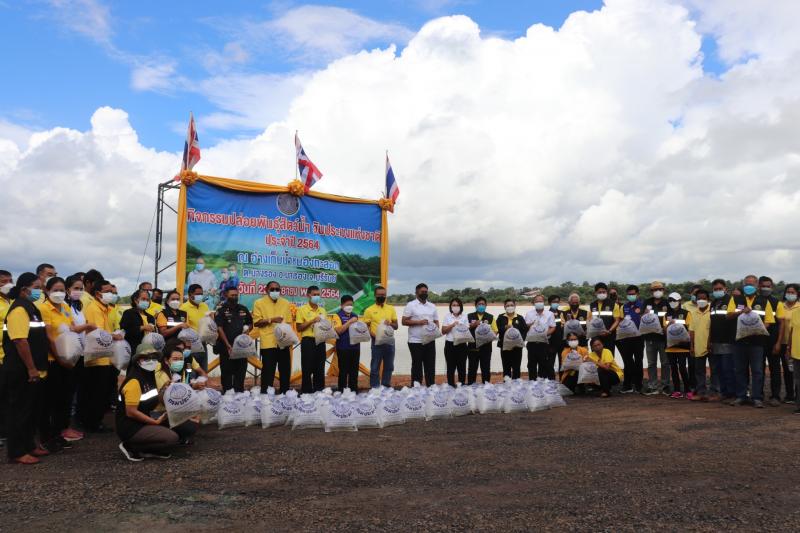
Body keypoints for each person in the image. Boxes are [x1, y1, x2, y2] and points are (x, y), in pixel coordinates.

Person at [39, 277, 94, 451]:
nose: (59, 293)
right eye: (55, 290)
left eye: (62, 290)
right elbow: (49, 337)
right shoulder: (43, 308)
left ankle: (59, 433)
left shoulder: (65, 307)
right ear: (47, 291)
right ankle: (47, 438)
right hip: (53, 360)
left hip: (68, 359)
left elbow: (72, 329)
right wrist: (61, 359)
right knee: (51, 400)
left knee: (64, 399)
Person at [3, 273, 49, 464]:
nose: (40, 291)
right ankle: (17, 451)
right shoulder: (19, 310)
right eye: (36, 287)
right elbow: (20, 341)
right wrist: (31, 368)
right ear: (24, 289)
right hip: (21, 369)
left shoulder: (31, 308)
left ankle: (29, 445)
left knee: (31, 410)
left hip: (35, 367)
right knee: (19, 411)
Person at [116, 343, 179, 462]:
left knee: (179, 426)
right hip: (131, 426)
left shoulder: (148, 377)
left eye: (154, 358)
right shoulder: (134, 381)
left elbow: (152, 400)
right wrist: (154, 422)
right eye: (146, 358)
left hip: (145, 419)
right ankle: (131, 446)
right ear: (138, 361)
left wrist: (164, 389)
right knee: (171, 438)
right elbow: (131, 412)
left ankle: (149, 448)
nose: (151, 361)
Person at [80, 279, 123, 432]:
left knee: (102, 392)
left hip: (105, 355)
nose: (111, 294)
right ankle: (92, 423)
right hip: (97, 357)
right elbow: (97, 332)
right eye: (107, 291)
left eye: (112, 291)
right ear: (98, 293)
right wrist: (114, 336)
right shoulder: (94, 308)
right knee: (96, 392)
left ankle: (95, 421)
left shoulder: (106, 308)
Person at [727, 274, 775, 408]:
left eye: (752, 284)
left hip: (757, 342)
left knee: (757, 370)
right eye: (747, 284)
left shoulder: (764, 301)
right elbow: (728, 316)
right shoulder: (736, 299)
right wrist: (740, 312)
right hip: (739, 341)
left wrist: (756, 329)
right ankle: (741, 396)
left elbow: (769, 321)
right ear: (743, 285)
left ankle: (757, 397)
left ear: (757, 286)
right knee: (739, 370)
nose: (749, 286)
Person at [153, 343, 202, 444]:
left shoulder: (182, 371)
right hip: (160, 412)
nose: (179, 362)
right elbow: (166, 401)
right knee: (191, 426)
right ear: (166, 360)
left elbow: (184, 390)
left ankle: (178, 434)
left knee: (196, 417)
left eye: (181, 359)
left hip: (172, 410)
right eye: (175, 359)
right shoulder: (160, 374)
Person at [252, 281, 293, 393]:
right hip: (268, 343)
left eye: (277, 289)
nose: (275, 291)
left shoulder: (285, 303)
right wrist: (271, 320)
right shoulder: (259, 303)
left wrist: (289, 338)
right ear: (266, 290)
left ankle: (285, 394)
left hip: (283, 342)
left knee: (285, 371)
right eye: (272, 289)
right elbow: (257, 322)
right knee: (268, 371)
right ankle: (266, 395)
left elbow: (288, 322)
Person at [214, 287, 253, 394]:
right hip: (226, 348)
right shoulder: (220, 310)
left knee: (240, 373)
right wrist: (227, 345)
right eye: (232, 295)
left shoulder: (243, 309)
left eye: (236, 295)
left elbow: (250, 323)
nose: (234, 297)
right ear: (226, 295)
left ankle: (239, 395)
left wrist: (247, 329)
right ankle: (227, 395)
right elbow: (219, 328)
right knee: (226, 374)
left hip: (241, 348)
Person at [402, 283, 439, 386]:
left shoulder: (432, 306)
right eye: (422, 292)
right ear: (416, 293)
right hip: (415, 341)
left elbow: (436, 322)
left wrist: (435, 329)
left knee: (430, 365)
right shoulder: (410, 305)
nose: (424, 293)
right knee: (417, 366)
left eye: (426, 292)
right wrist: (419, 322)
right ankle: (416, 388)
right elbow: (404, 321)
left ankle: (431, 387)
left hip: (430, 340)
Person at [362, 284, 398, 389]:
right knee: (375, 366)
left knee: (389, 366)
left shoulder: (391, 309)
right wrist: (374, 335)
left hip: (389, 342)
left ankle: (385, 386)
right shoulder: (369, 310)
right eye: (379, 295)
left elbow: (396, 326)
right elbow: (366, 328)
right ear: (375, 296)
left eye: (384, 295)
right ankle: (375, 387)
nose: (382, 296)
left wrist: (390, 324)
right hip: (376, 342)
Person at [759, 276, 786, 406]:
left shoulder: (777, 303)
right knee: (758, 369)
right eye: (763, 286)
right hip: (758, 342)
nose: (766, 288)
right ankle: (758, 395)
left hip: (773, 341)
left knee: (775, 369)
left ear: (772, 287)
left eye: (768, 286)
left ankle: (775, 396)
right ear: (759, 286)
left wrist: (778, 342)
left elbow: (782, 324)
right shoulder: (754, 301)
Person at [296, 286, 328, 393]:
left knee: (320, 367)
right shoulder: (302, 309)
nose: (317, 297)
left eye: (318, 295)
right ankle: (306, 391)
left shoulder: (322, 310)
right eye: (314, 294)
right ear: (308, 295)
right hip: (308, 341)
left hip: (321, 341)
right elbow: (299, 328)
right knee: (307, 367)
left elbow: (325, 326)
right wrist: (312, 321)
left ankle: (319, 391)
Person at [709, 279, 736, 402]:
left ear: (725, 289)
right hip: (716, 341)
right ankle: (723, 392)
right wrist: (710, 340)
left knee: (728, 368)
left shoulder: (731, 301)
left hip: (728, 340)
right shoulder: (713, 303)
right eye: (715, 289)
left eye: (720, 289)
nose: (718, 291)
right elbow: (711, 322)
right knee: (718, 369)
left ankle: (732, 393)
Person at [643, 281, 671, 395]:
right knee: (651, 363)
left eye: (659, 289)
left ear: (663, 290)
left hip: (664, 338)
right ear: (651, 291)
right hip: (650, 337)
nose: (657, 291)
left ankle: (665, 385)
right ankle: (652, 385)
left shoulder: (667, 302)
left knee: (665, 363)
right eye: (655, 289)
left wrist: (667, 326)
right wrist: (644, 314)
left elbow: (670, 318)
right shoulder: (647, 302)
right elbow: (642, 317)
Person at [664, 292, 692, 399]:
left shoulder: (686, 313)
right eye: (670, 301)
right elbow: (664, 331)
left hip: (683, 346)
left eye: (674, 300)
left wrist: (690, 344)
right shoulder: (667, 315)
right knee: (673, 369)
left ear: (680, 301)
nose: (672, 302)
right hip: (670, 346)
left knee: (682, 367)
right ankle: (677, 390)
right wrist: (669, 325)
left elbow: (690, 329)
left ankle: (688, 390)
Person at [617, 285, 645, 394]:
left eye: (633, 294)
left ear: (637, 294)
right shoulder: (624, 307)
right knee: (627, 361)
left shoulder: (643, 305)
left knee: (638, 361)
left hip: (639, 338)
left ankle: (639, 385)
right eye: (629, 294)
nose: (631, 296)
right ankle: (627, 385)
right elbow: (620, 320)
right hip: (626, 339)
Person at [332, 295, 361, 392]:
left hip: (355, 347)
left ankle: (354, 391)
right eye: (347, 305)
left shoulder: (355, 315)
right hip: (343, 347)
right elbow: (338, 331)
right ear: (342, 305)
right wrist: (349, 322)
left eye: (351, 305)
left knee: (354, 371)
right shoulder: (337, 316)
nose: (350, 307)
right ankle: (342, 390)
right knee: (343, 371)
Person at [179, 283, 211, 371]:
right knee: (191, 371)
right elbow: (184, 329)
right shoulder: (183, 308)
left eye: (201, 294)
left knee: (204, 370)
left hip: (203, 344)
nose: (200, 296)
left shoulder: (204, 306)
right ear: (190, 295)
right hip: (191, 345)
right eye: (197, 294)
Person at [524, 294, 556, 379]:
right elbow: (525, 327)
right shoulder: (529, 314)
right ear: (533, 303)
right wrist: (529, 325)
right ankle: (532, 382)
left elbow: (553, 327)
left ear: (544, 302)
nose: (539, 303)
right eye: (537, 301)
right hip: (532, 343)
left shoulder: (550, 314)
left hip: (544, 343)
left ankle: (543, 382)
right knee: (531, 365)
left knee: (544, 365)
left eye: (540, 301)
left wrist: (545, 334)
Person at [689, 289, 713, 401]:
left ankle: (714, 392)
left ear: (708, 299)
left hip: (711, 346)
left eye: (704, 298)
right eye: (699, 298)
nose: (701, 300)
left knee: (715, 370)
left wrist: (710, 342)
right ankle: (701, 392)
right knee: (699, 371)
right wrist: (692, 346)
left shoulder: (712, 311)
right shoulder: (693, 313)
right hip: (698, 346)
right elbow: (692, 331)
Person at [467, 297, 496, 384]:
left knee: (486, 368)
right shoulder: (469, 316)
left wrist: (488, 336)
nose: (481, 306)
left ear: (486, 305)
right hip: (473, 347)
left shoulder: (490, 317)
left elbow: (495, 331)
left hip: (486, 347)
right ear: (475, 305)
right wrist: (473, 325)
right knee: (472, 368)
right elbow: (464, 329)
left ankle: (486, 386)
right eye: (479, 304)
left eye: (483, 304)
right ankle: (471, 386)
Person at [495, 299, 527, 379]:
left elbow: (524, 330)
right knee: (506, 367)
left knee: (516, 367)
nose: (510, 307)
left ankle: (516, 383)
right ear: (504, 307)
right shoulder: (501, 317)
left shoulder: (520, 318)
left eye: (512, 305)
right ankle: (507, 383)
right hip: (504, 347)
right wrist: (504, 327)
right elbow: (497, 329)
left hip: (517, 347)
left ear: (515, 306)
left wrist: (520, 340)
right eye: (508, 305)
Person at [441, 297, 468, 386]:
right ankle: (451, 385)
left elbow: (467, 331)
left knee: (462, 367)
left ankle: (461, 384)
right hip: (450, 344)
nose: (456, 307)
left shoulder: (464, 316)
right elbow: (443, 331)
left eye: (457, 305)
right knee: (450, 367)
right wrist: (452, 325)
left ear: (461, 306)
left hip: (461, 344)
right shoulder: (447, 316)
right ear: (451, 306)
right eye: (454, 305)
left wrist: (460, 327)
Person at [0, 269, 13, 448]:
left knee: (8, 396)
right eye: (3, 281)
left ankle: (6, 430)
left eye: (10, 280)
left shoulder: (11, 301)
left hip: (10, 355)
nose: (8, 284)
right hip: (1, 354)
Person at [120, 289, 157, 353]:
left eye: (148, 300)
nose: (146, 301)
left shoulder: (150, 317)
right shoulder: (129, 313)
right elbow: (125, 331)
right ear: (135, 300)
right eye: (143, 299)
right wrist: (142, 327)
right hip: (133, 349)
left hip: (149, 350)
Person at [779, 284, 799, 404]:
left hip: (796, 344)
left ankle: (798, 396)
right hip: (782, 342)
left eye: (792, 292)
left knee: (797, 371)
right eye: (788, 292)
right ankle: (789, 395)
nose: (790, 294)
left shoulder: (799, 306)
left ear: (797, 294)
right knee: (787, 370)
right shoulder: (780, 305)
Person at [588, 282, 621, 351]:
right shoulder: (592, 305)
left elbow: (617, 320)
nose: (602, 293)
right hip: (595, 338)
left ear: (607, 293)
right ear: (595, 293)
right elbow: (589, 320)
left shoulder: (613, 304)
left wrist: (609, 331)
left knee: (609, 356)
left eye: (604, 292)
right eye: (599, 292)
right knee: (595, 357)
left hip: (609, 336)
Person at [548, 295, 564, 370]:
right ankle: (550, 377)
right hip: (551, 343)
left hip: (561, 342)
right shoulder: (546, 313)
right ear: (549, 303)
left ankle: (562, 377)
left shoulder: (562, 313)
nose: (556, 303)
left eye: (557, 302)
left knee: (562, 363)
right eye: (554, 302)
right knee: (550, 363)